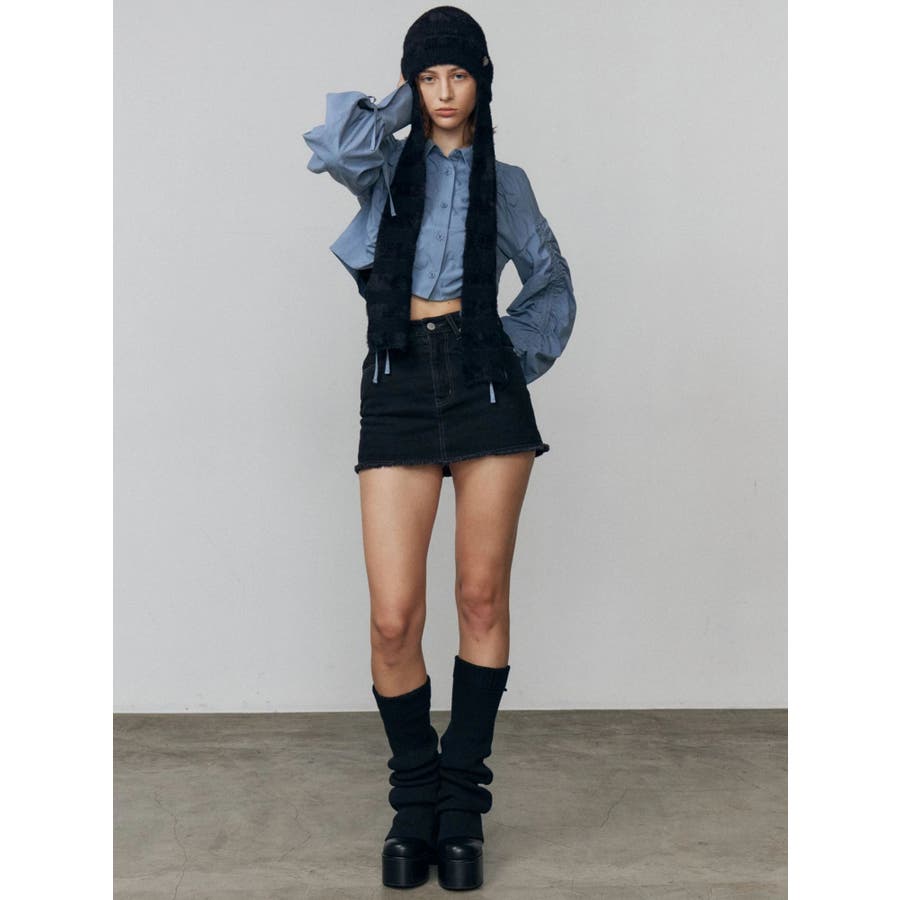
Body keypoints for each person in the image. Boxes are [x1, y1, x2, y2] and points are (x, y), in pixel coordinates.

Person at [303, 5, 576, 891]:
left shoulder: (511, 182)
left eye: (459, 75)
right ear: (413, 83)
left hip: (482, 384)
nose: (446, 92)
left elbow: (551, 283)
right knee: (394, 617)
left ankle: (461, 807)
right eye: (430, 76)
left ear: (483, 82)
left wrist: (504, 355)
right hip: (398, 379)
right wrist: (399, 102)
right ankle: (412, 800)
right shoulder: (387, 165)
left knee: (480, 598)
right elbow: (336, 145)